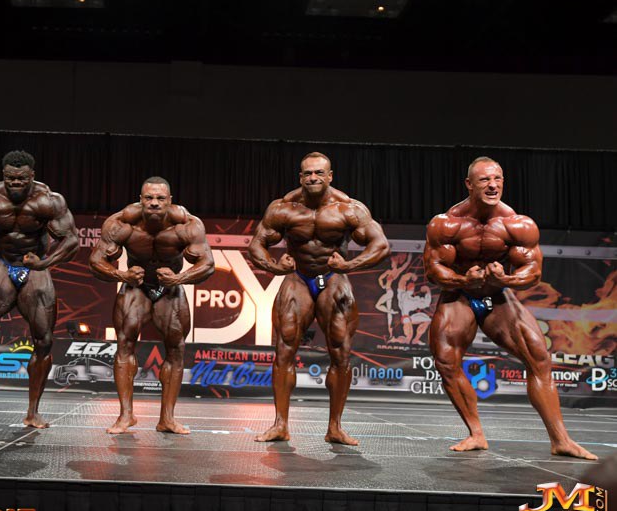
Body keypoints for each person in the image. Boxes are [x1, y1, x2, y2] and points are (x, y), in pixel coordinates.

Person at [424, 156, 596, 459]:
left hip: (497, 297)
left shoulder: (518, 224)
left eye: (498, 179)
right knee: (446, 362)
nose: (493, 185)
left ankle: (561, 440)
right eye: (485, 180)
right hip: (459, 296)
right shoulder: (446, 224)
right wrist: (463, 278)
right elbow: (433, 271)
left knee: (538, 357)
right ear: (469, 184)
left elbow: (533, 272)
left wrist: (507, 279)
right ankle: (476, 434)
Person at [248, 152, 390, 443]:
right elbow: (257, 244)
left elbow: (380, 245)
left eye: (319, 173)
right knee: (284, 348)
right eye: (308, 173)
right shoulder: (282, 208)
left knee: (340, 350)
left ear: (330, 176)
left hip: (334, 278)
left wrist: (349, 266)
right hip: (298, 278)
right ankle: (280, 425)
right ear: (300, 177)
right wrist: (274, 267)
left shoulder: (349, 208)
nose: (313, 178)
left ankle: (335, 427)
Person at [0, 150, 78, 429]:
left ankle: (33, 412)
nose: (15, 183)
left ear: (32, 176)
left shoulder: (49, 201)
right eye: (10, 178)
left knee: (43, 340)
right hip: (2, 265)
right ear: (3, 175)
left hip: (34, 268)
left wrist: (44, 262)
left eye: (21, 178)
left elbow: (71, 241)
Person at [89, 177, 214, 434]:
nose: (154, 203)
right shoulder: (121, 223)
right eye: (149, 198)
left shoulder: (188, 225)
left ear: (170, 201)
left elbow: (208, 264)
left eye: (160, 198)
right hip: (136, 287)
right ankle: (126, 416)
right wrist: (121, 275)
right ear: (141, 199)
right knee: (124, 344)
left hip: (170, 288)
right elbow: (95, 261)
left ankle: (167, 419)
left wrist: (179, 278)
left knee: (176, 350)